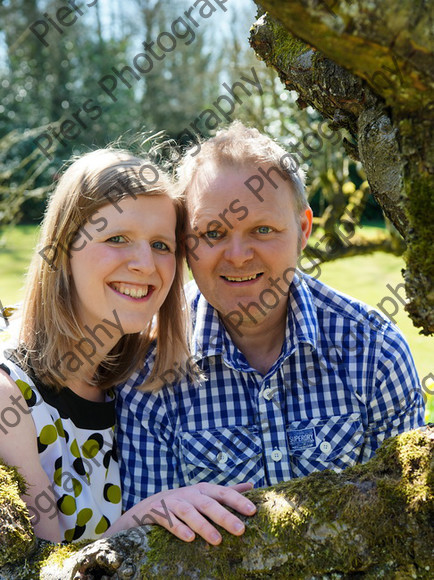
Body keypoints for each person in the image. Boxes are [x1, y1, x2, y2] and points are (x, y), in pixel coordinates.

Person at [116, 121, 426, 510]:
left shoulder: (376, 352)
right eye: (213, 233)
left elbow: (409, 521)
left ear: (303, 230)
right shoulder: (147, 368)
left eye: (262, 229)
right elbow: (149, 550)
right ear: (185, 245)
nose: (239, 255)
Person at [0, 148, 256, 545]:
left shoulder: (136, 377)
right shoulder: (11, 399)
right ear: (64, 250)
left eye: (160, 244)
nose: (144, 264)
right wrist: (147, 515)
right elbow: (43, 569)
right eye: (117, 238)